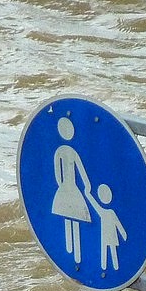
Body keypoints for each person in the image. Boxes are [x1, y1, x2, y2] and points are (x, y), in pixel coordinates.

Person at [50, 117, 91, 263]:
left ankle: (75, 255)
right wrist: (86, 185)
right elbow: (79, 170)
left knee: (71, 217)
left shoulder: (62, 151)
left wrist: (62, 184)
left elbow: (62, 172)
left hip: (67, 187)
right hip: (70, 188)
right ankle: (73, 255)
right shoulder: (65, 151)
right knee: (71, 217)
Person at [87, 184, 127, 272]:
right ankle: (106, 267)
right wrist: (88, 194)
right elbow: (95, 205)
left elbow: (118, 223)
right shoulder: (106, 212)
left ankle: (113, 268)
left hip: (110, 235)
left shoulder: (109, 212)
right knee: (106, 250)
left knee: (110, 250)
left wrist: (123, 234)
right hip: (106, 235)